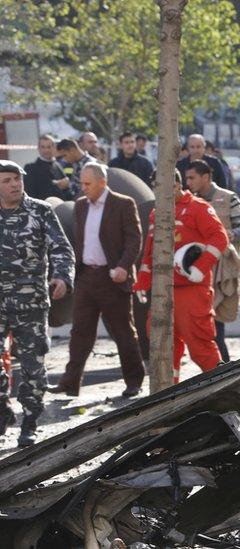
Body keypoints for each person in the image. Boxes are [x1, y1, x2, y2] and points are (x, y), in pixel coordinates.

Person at [51, 163, 144, 398]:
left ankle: (134, 381)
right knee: (80, 332)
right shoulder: (81, 206)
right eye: (81, 183)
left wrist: (124, 266)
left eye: (87, 184)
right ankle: (70, 382)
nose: (83, 188)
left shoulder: (123, 204)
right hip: (86, 277)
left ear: (102, 182)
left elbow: (134, 239)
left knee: (123, 332)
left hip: (113, 278)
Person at [0, 160, 73, 447]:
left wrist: (62, 277)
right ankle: (2, 409)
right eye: (7, 180)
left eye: (17, 179)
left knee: (33, 366)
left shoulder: (40, 210)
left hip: (30, 303)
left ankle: (30, 422)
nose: (15, 184)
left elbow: (61, 248)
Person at [133, 170, 228, 383]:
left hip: (192, 290)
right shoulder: (156, 214)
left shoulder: (199, 208)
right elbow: (149, 252)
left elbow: (220, 238)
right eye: (156, 188)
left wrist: (200, 268)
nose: (160, 192)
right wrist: (142, 282)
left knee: (200, 346)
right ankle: (168, 393)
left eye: (164, 187)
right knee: (163, 346)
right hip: (162, 291)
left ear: (177, 185)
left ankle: (224, 389)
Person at [184, 160, 240, 364]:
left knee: (217, 325)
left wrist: (230, 234)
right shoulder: (189, 202)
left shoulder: (228, 198)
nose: (188, 182)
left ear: (206, 177)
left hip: (222, 271)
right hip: (195, 271)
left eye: (191, 177)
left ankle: (224, 370)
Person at [24, 135, 71, 201]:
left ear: (54, 147)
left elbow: (66, 187)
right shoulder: (30, 168)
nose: (46, 150)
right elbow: (30, 193)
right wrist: (56, 185)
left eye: (49, 147)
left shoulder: (58, 165)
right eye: (43, 147)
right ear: (38, 148)